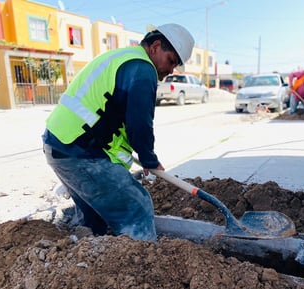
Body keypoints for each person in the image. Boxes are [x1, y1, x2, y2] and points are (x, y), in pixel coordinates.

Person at [42, 24, 195, 241]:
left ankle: (88, 249)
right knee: (137, 207)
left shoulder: (121, 58)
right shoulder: (142, 70)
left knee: (95, 214)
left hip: (59, 145)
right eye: (171, 61)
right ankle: (142, 263)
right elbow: (139, 124)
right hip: (79, 152)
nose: (171, 71)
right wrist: (149, 160)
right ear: (156, 46)